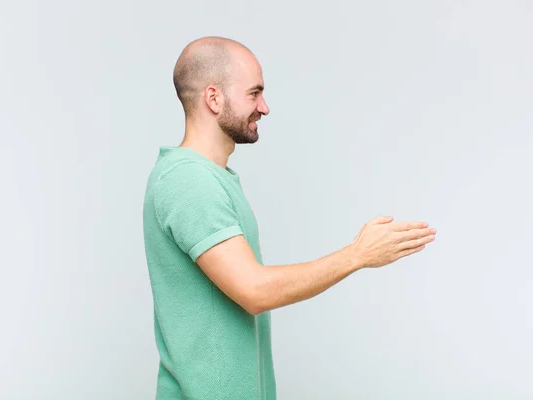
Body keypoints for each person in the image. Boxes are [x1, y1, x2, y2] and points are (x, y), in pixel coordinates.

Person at [142, 36, 437, 400]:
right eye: (254, 94)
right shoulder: (188, 180)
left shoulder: (212, 178)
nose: (264, 107)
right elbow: (253, 290)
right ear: (214, 98)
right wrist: (357, 255)